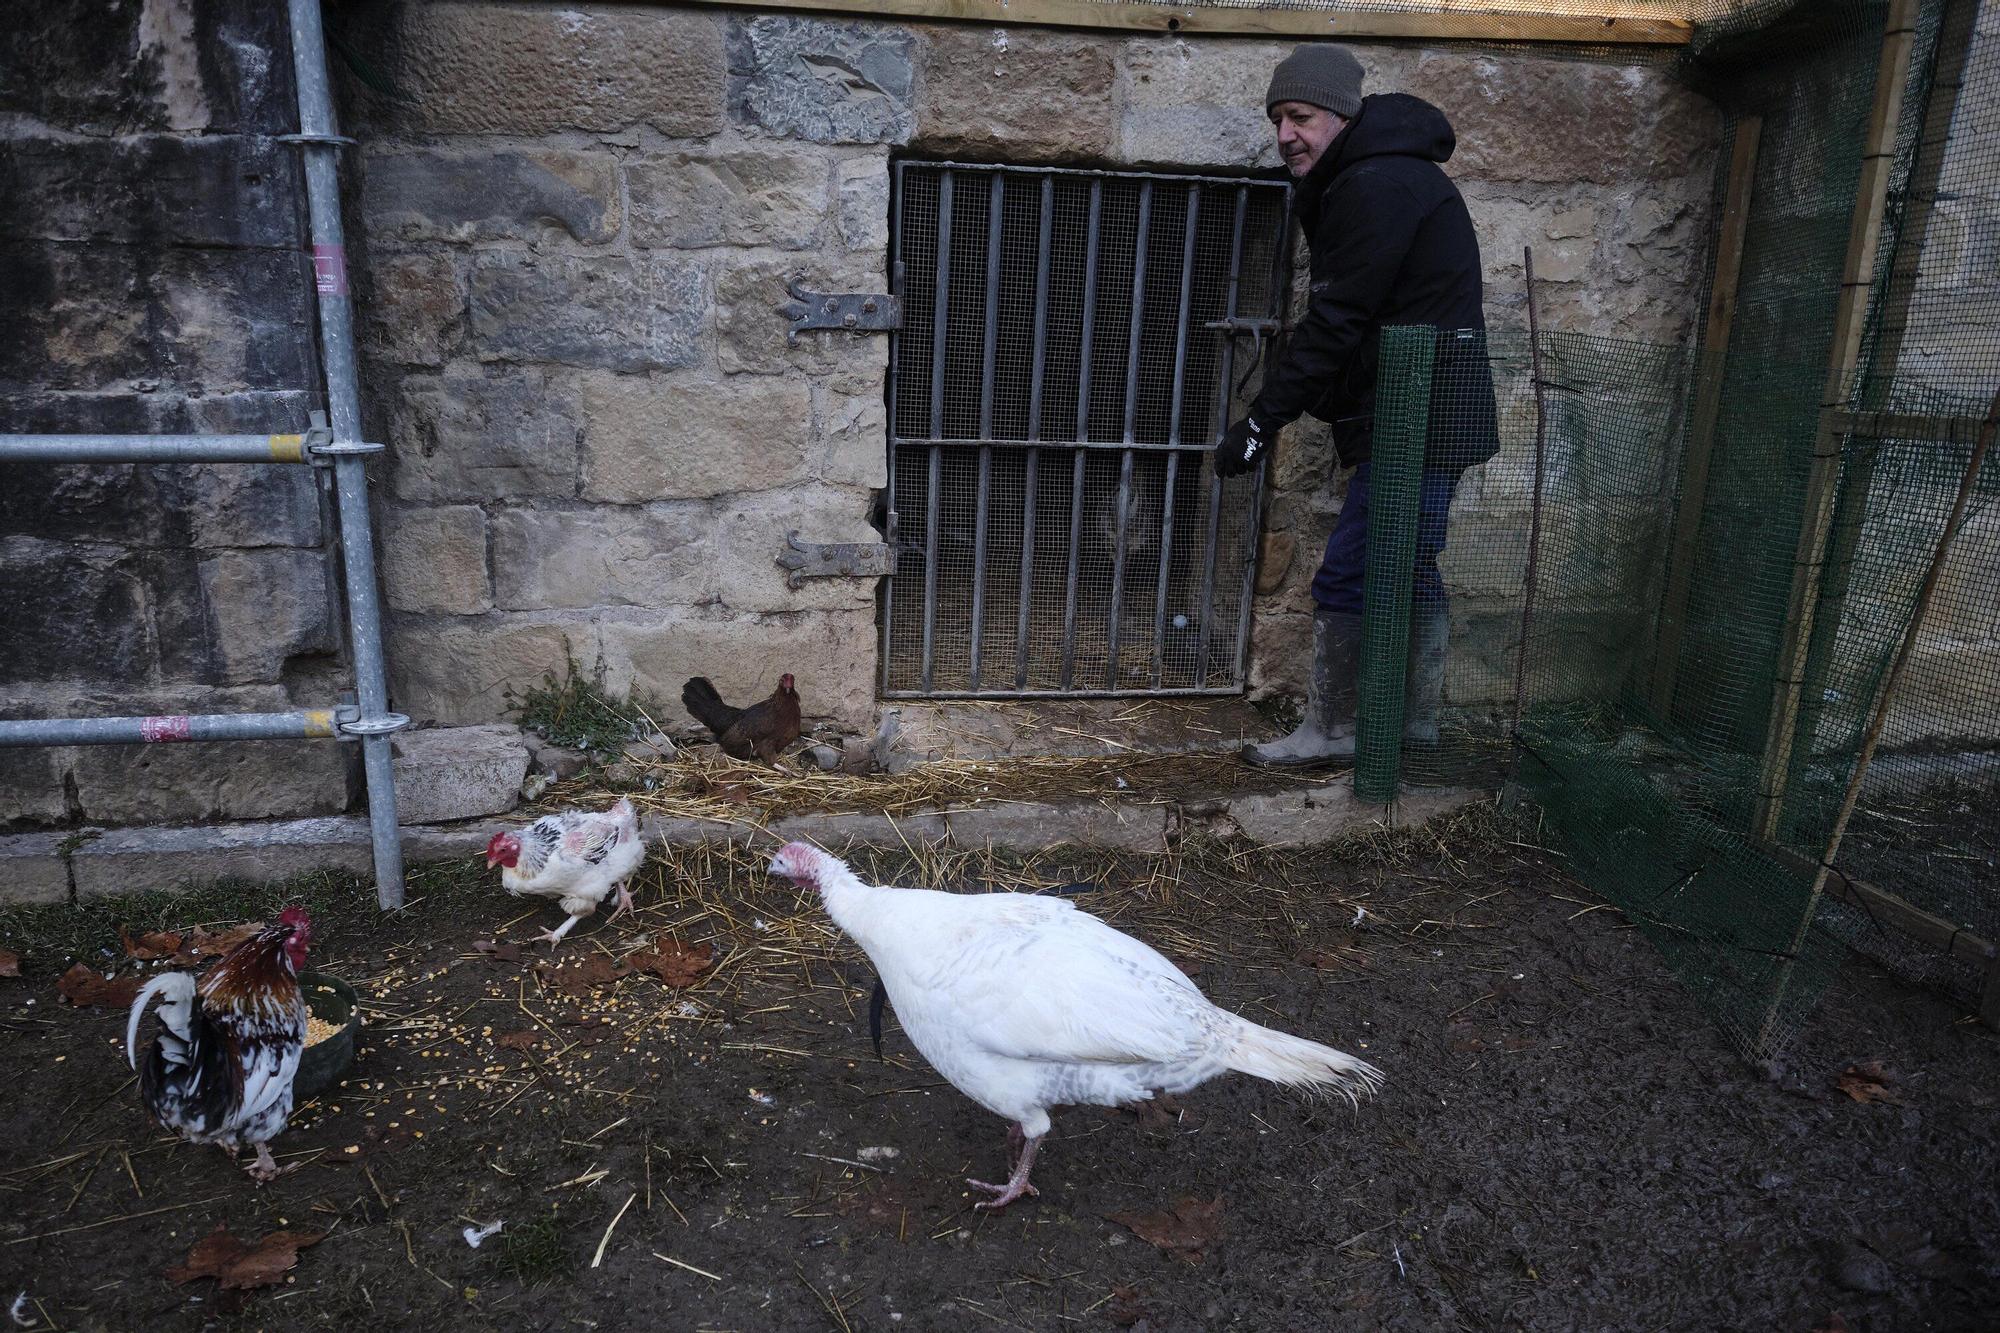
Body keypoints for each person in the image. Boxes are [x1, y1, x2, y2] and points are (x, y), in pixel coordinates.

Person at [1216, 44, 1496, 768]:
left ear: (1340, 114)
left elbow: (1337, 320)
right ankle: (1414, 727)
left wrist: (1259, 421)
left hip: (1420, 413)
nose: (1285, 135)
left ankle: (1335, 731)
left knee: (1350, 572)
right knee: (1410, 566)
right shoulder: (1382, 173)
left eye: (1301, 116)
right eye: (1278, 119)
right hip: (1430, 404)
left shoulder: (1374, 184)